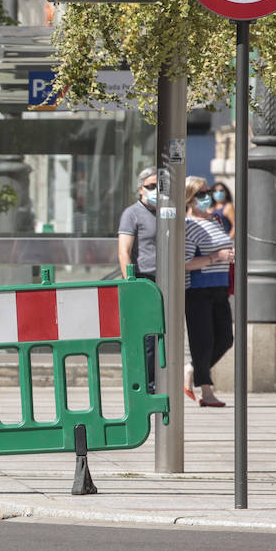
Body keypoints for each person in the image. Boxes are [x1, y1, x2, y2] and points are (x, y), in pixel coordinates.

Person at [183, 176, 235, 408]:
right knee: (203, 341)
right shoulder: (187, 225)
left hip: (220, 286)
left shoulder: (215, 219)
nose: (207, 197)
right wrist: (216, 257)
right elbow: (185, 262)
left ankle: (192, 369)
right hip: (198, 289)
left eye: (208, 193)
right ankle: (206, 391)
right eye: (201, 194)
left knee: (225, 338)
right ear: (189, 199)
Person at [117, 166, 158, 393]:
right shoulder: (132, 214)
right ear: (140, 188)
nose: (155, 190)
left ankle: (158, 380)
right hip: (143, 279)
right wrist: (130, 281)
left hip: (164, 279)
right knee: (147, 336)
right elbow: (124, 250)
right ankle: (146, 384)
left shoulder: (166, 212)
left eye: (159, 186)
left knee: (161, 332)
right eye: (151, 186)